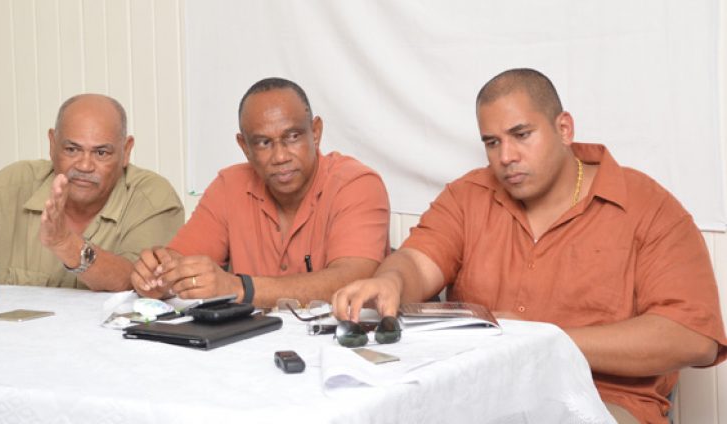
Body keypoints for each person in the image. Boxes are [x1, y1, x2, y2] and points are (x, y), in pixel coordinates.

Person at [331, 68, 727, 424]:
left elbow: (694, 338)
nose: (506, 157)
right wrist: (392, 281)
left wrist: (539, 339)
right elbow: (418, 264)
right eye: (491, 142)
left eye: (522, 135)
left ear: (564, 129)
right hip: (476, 393)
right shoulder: (468, 194)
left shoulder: (647, 206)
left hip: (600, 401)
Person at [131, 77, 390, 308]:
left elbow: (353, 279)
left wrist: (238, 288)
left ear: (316, 132)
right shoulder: (228, 185)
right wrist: (157, 275)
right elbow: (179, 261)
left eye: (292, 137)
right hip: (252, 347)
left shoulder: (356, 184)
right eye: (264, 143)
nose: (280, 156)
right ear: (245, 147)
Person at [0, 94, 184, 312]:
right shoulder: (10, 186)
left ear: (126, 150)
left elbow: (136, 280)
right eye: (72, 149)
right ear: (52, 144)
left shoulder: (154, 197)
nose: (84, 165)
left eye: (101, 153)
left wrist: (66, 244)